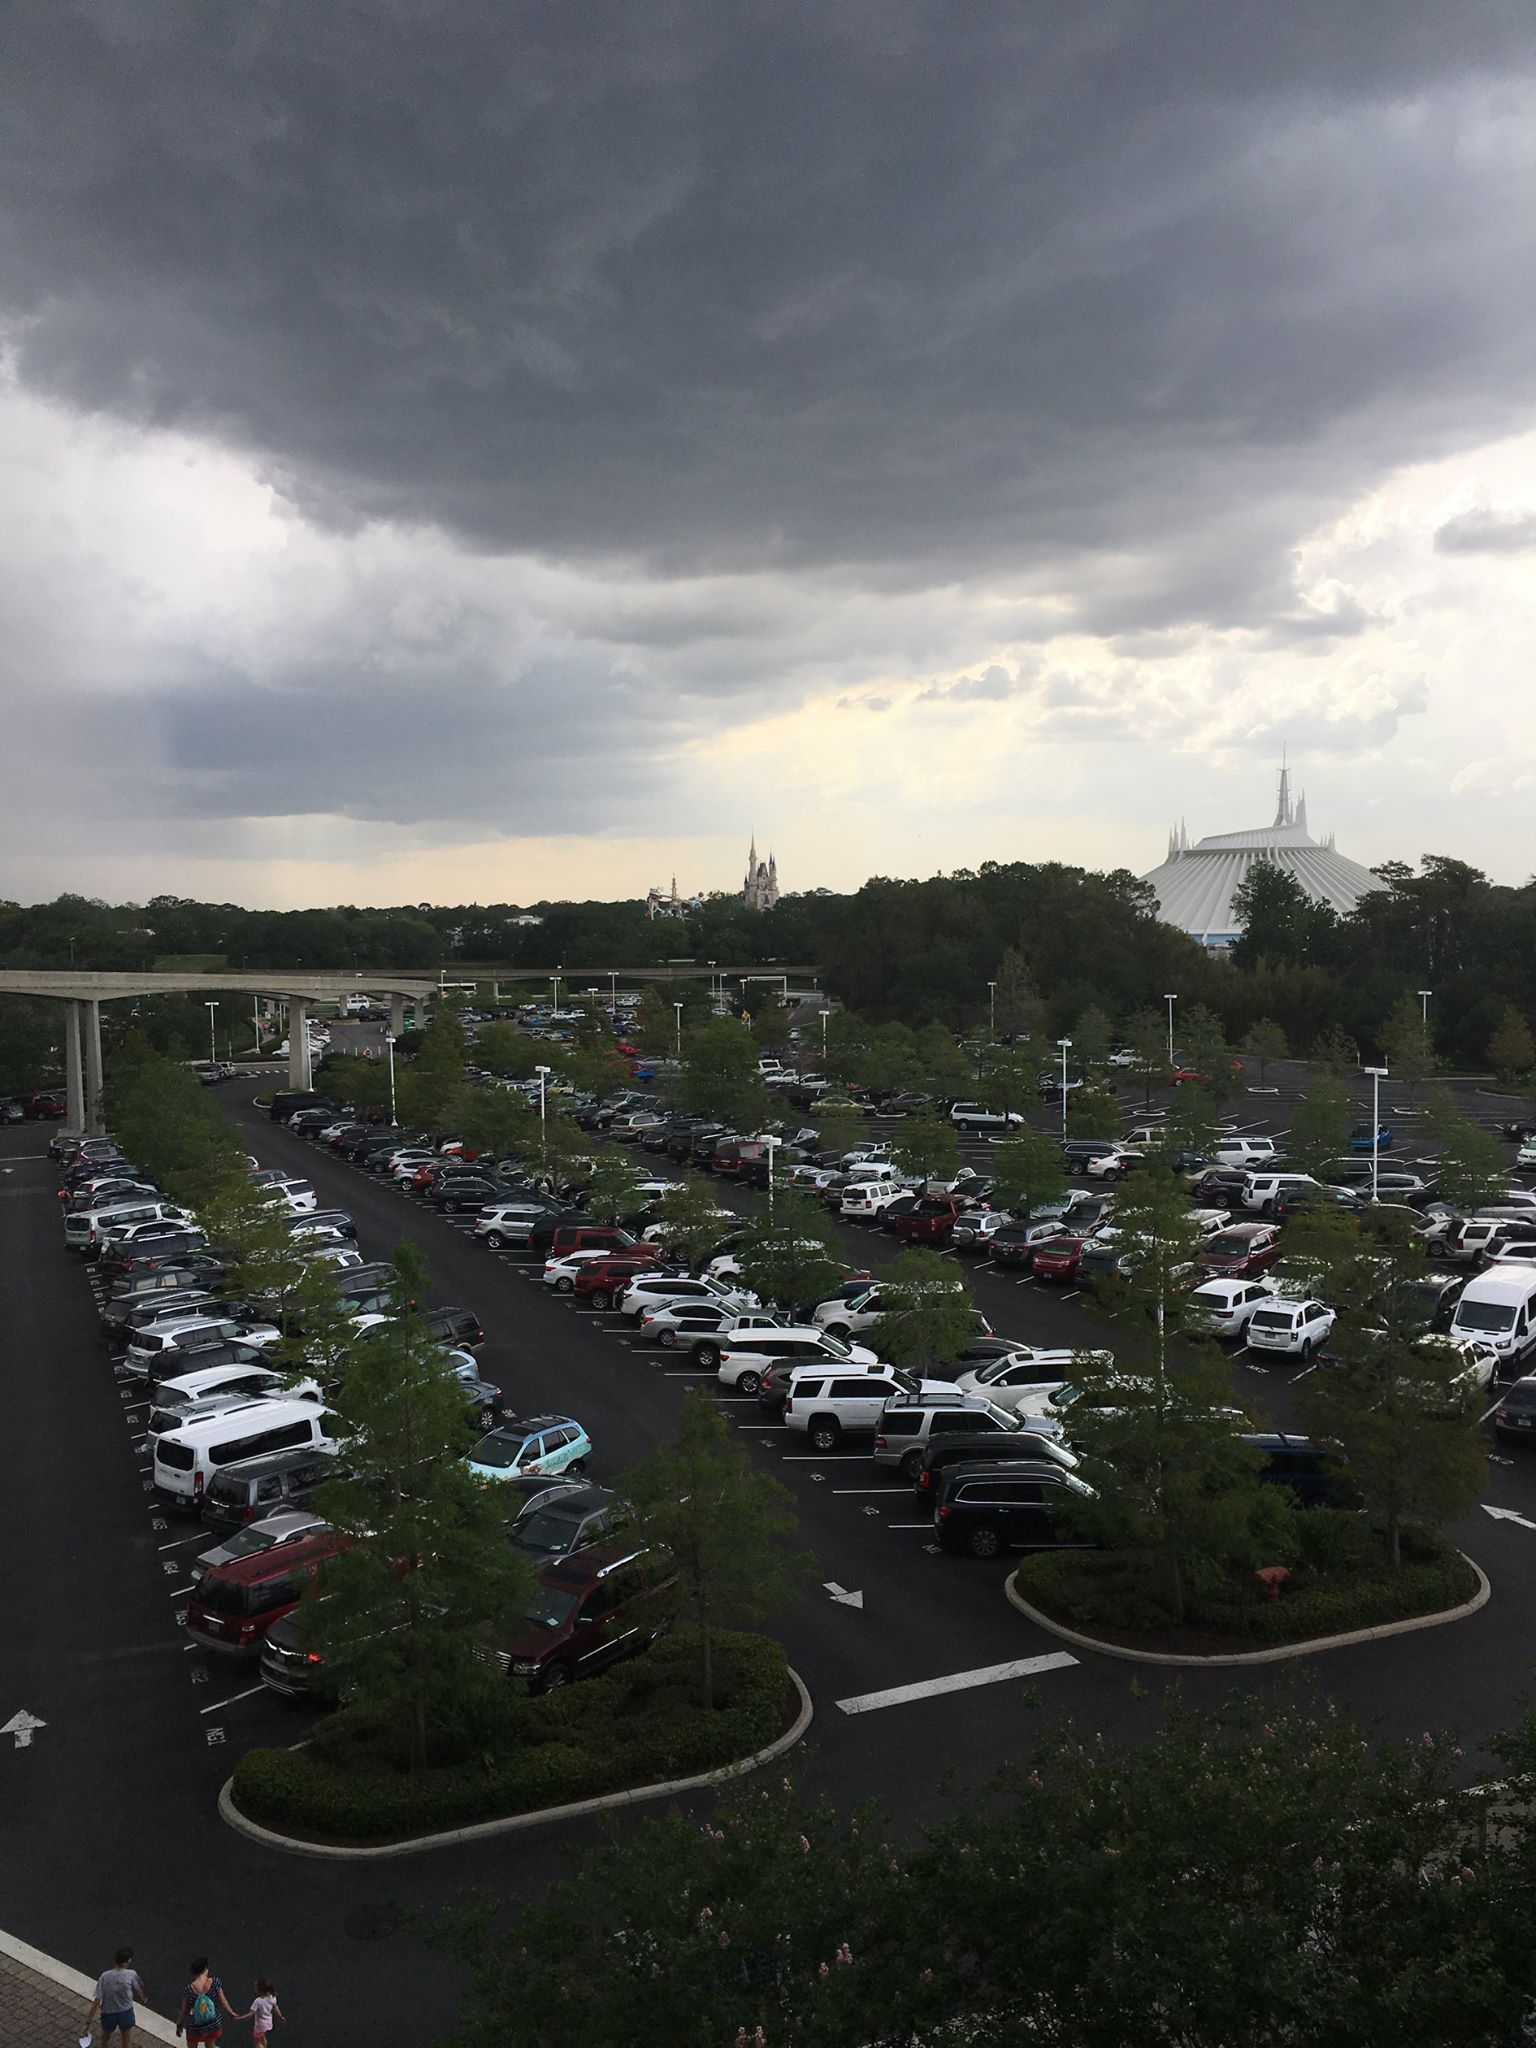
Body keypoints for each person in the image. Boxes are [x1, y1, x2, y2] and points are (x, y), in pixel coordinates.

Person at [87, 1946, 147, 2044]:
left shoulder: (105, 1976)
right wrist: (143, 1999)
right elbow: (138, 1990)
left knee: (105, 2039)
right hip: (125, 2012)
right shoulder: (131, 1974)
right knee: (126, 2040)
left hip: (108, 2013)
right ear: (125, 1962)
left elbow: (97, 2000)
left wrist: (88, 2021)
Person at [176, 1958, 241, 2045]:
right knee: (210, 2045)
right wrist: (231, 2013)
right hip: (213, 2025)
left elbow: (184, 2010)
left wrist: (179, 2024)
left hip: (195, 2028)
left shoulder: (189, 1990)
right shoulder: (215, 1982)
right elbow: (223, 2002)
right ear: (205, 1969)